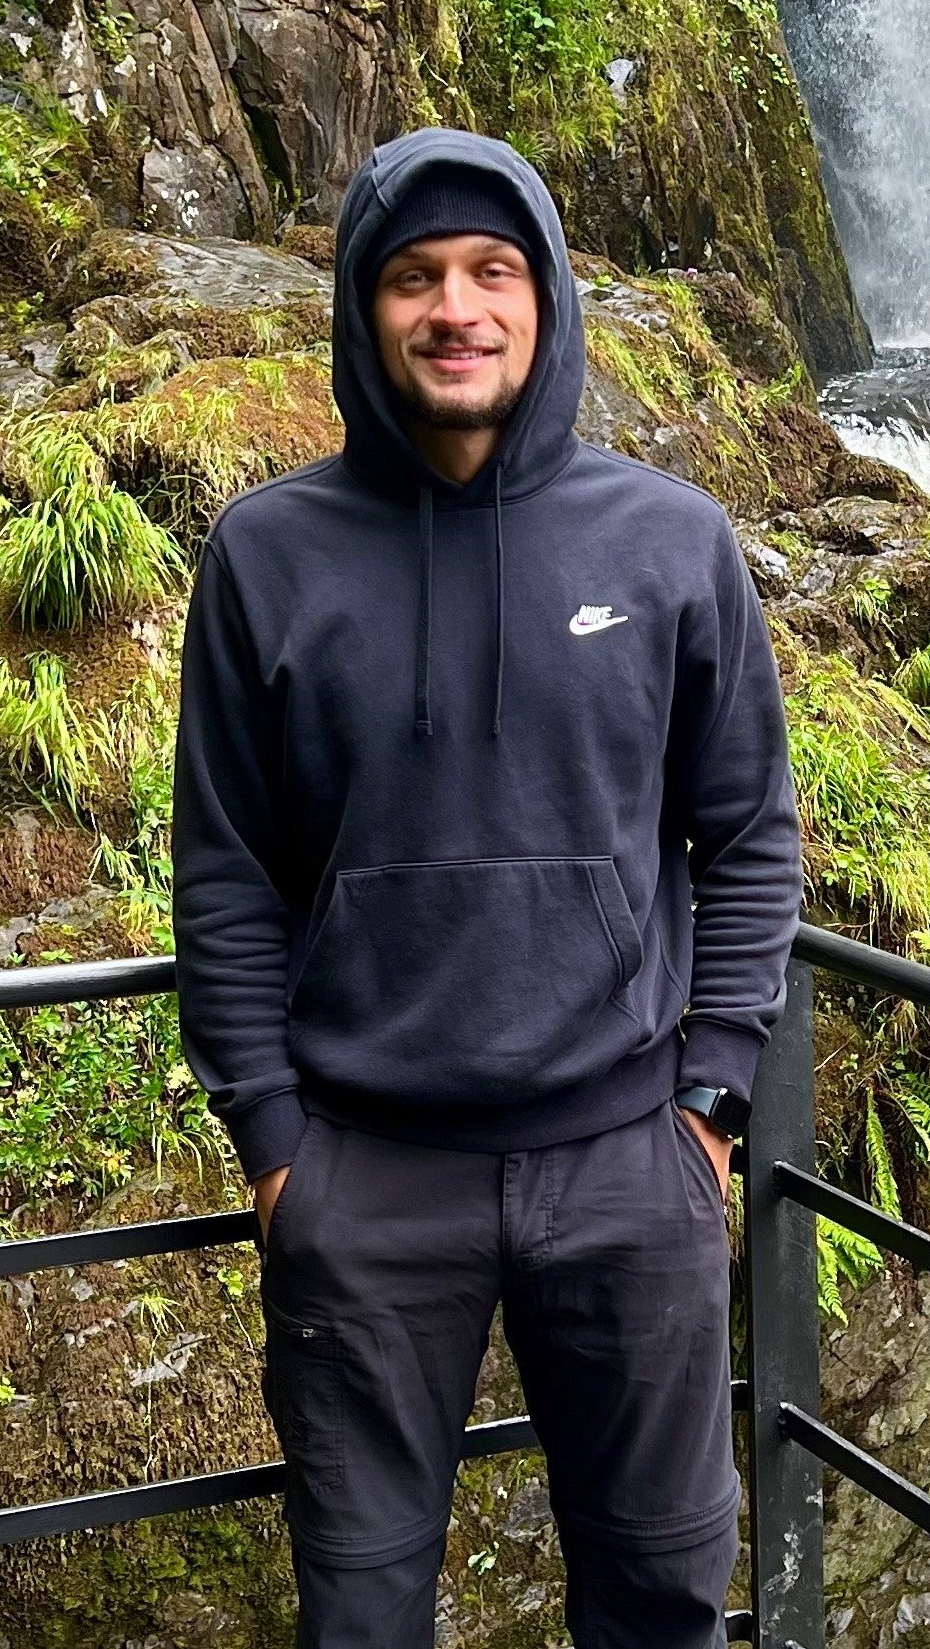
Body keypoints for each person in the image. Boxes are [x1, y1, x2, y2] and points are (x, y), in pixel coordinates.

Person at [171, 128, 804, 1649]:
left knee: (661, 1595)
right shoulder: (266, 556)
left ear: (548, 300)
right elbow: (225, 872)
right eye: (414, 276)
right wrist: (274, 1150)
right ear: (362, 309)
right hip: (368, 1182)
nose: (455, 307)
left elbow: (753, 835)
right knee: (365, 1608)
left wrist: (707, 1104)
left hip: (623, 1163)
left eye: (490, 271)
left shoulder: (670, 544)